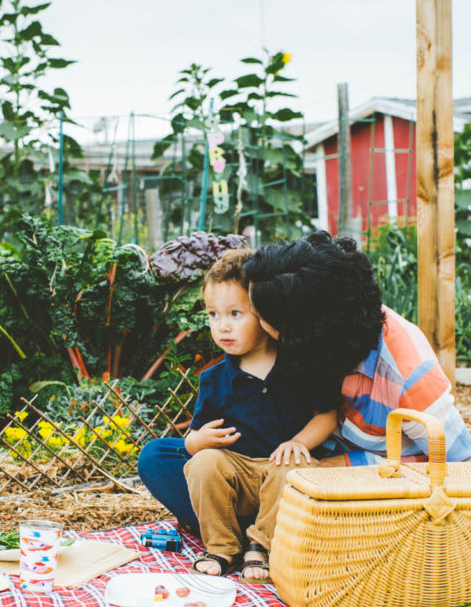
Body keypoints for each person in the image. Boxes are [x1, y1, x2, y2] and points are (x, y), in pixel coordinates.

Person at [138, 248, 338, 580]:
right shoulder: (214, 379)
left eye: (235, 314)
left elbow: (326, 415)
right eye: (213, 315)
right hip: (238, 479)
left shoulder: (297, 363)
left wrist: (299, 442)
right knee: (202, 463)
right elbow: (201, 437)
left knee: (294, 466)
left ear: (264, 313)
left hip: (282, 474)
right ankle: (223, 547)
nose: (222, 327)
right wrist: (197, 441)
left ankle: (261, 546)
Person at [244, 231, 471, 466]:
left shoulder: (407, 376)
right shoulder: (320, 338)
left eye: (258, 314)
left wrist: (351, 465)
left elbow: (462, 465)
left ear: (296, 333)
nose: (251, 317)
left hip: (387, 477)